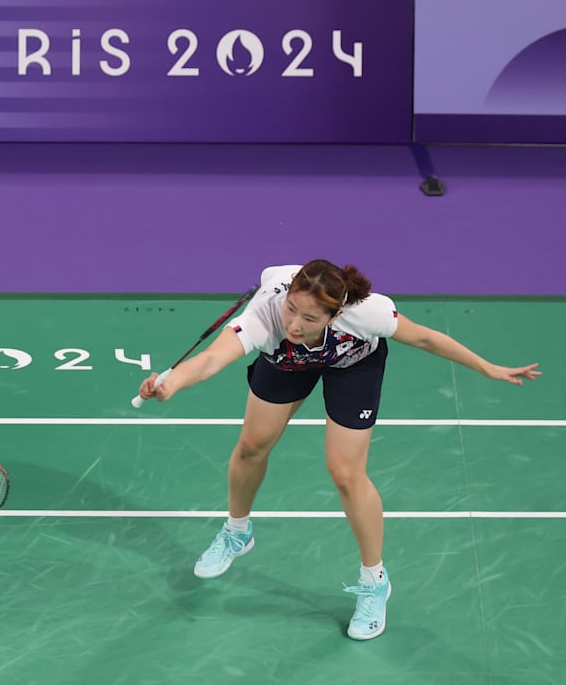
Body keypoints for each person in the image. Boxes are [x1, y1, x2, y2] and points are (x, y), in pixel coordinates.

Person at [136, 260, 539, 641]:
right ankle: (237, 533)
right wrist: (171, 385)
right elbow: (209, 360)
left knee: (346, 473)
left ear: (334, 315)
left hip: (353, 364)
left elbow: (425, 337)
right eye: (291, 309)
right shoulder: (265, 318)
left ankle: (374, 581)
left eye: (309, 318)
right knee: (251, 447)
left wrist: (488, 368)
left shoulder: (367, 314)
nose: (295, 323)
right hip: (287, 361)